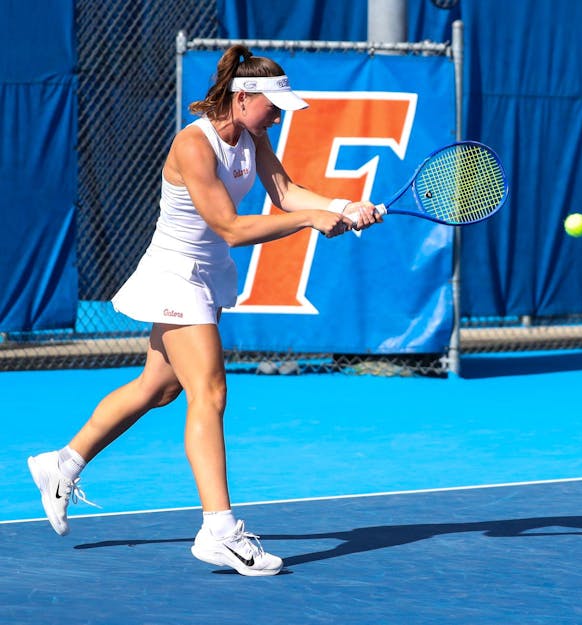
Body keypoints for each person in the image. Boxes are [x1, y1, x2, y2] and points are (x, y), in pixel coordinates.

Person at [26, 45, 380, 576]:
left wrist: (340, 206)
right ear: (242, 98)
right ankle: (220, 529)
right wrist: (309, 223)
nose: (279, 115)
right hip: (176, 273)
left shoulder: (253, 135)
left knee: (159, 387)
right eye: (273, 106)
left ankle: (62, 463)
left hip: (204, 274)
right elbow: (233, 229)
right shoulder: (194, 145)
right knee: (209, 391)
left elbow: (284, 191)